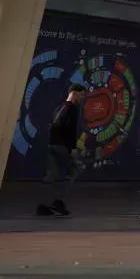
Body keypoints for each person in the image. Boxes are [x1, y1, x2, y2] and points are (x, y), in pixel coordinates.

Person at [35, 82, 88, 218]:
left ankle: (42, 205)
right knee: (74, 170)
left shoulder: (59, 107)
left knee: (51, 175)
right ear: (75, 93)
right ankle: (58, 201)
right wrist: (72, 148)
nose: (82, 98)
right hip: (62, 146)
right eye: (81, 95)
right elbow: (69, 130)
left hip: (52, 145)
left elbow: (53, 126)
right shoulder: (72, 109)